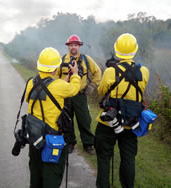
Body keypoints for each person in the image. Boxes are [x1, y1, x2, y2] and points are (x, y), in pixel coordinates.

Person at [94, 33, 149, 188]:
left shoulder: (111, 71)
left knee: (104, 157)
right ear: (135, 50)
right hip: (131, 123)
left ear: (116, 50)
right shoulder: (144, 71)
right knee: (128, 158)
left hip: (109, 121)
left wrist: (112, 69)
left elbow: (101, 91)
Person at [26, 47, 81, 188]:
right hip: (52, 140)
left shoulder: (31, 83)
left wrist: (62, 81)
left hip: (34, 137)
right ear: (56, 69)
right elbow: (74, 89)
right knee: (52, 176)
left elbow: (28, 99)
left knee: (35, 176)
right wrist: (74, 74)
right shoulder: (60, 86)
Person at [56, 35, 101, 154]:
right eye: (71, 45)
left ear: (79, 46)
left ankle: (88, 144)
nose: (73, 47)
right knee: (67, 120)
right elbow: (55, 76)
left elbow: (97, 72)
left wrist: (92, 86)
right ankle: (70, 143)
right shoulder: (61, 60)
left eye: (75, 45)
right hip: (66, 96)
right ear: (68, 47)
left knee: (84, 120)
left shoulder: (86, 59)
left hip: (80, 96)